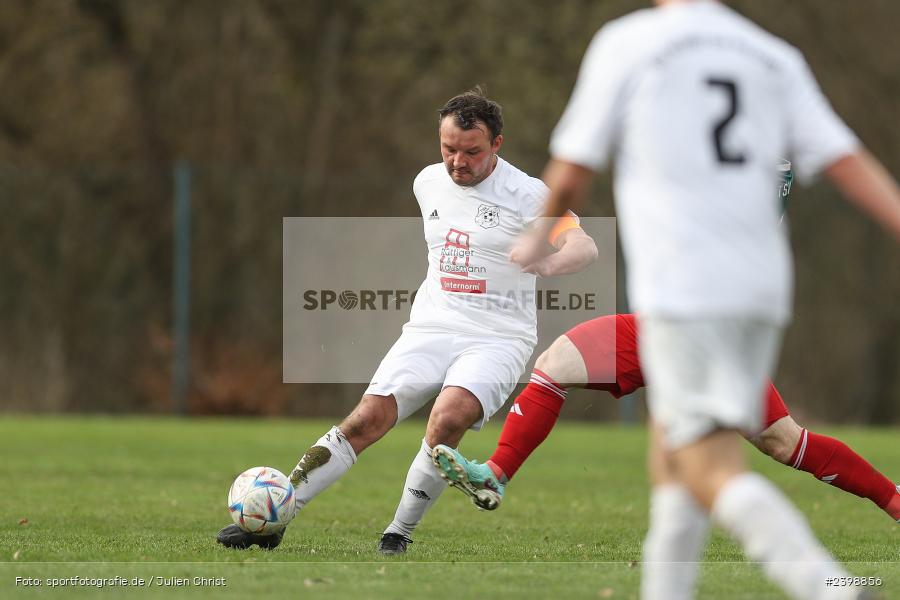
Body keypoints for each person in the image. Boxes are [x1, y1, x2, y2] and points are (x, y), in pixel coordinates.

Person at [504, 1, 900, 599]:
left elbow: (572, 171)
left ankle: (829, 586)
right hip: (762, 291)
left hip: (686, 288)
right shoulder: (771, 53)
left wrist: (538, 235)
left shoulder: (629, 42)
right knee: (673, 461)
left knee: (707, 465)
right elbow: (845, 160)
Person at [215, 87, 599, 553]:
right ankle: (277, 517)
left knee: (447, 419)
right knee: (365, 420)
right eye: (449, 149)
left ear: (497, 144)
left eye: (472, 151)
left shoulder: (529, 195)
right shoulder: (427, 182)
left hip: (498, 338)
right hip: (431, 327)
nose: (458, 161)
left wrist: (548, 261)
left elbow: (584, 247)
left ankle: (398, 533)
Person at [432, 313, 900, 525]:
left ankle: (893, 501)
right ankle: (495, 474)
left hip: (711, 341)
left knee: (783, 443)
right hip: (656, 327)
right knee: (556, 362)